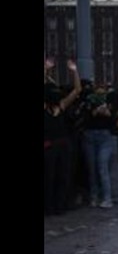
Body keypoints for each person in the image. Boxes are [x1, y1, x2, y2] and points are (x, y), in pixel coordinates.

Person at [44, 59, 81, 215]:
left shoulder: (62, 105)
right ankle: (48, 206)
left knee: (63, 175)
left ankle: (60, 205)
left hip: (63, 144)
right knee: (48, 176)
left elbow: (77, 90)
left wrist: (74, 71)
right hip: (48, 145)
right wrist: (45, 71)